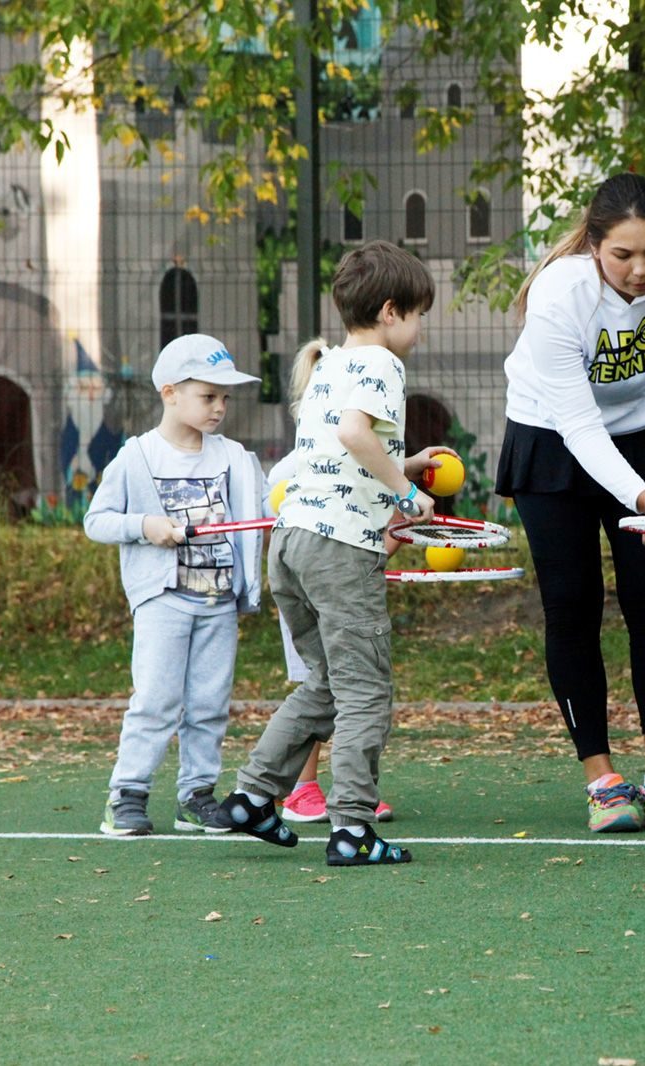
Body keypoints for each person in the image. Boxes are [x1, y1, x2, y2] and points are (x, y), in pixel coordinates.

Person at [495, 172, 645, 832]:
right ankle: (601, 780)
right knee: (571, 605)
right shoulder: (559, 292)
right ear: (594, 245)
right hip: (550, 437)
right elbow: (579, 426)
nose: (639, 268)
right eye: (622, 255)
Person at [220, 239, 450, 866]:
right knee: (366, 692)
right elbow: (354, 434)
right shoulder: (382, 365)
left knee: (325, 682)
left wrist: (404, 464)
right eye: (420, 313)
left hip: (291, 541)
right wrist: (404, 493)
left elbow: (336, 457)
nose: (422, 327)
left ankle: (252, 795)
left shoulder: (329, 365)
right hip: (339, 551)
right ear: (390, 311)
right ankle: (352, 828)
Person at [85, 333, 266, 836]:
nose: (220, 408)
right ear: (170, 393)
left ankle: (196, 796)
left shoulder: (233, 457)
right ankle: (127, 795)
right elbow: (96, 520)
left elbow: (263, 510)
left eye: (225, 398)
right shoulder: (137, 457)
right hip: (164, 602)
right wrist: (146, 526)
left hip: (218, 602)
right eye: (209, 396)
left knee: (209, 704)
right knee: (156, 700)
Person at [265, 450, 394, 825]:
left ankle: (255, 794)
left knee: (333, 684)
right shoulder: (328, 446)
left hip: (303, 558)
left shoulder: (364, 455)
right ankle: (335, 805)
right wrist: (405, 490)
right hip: (318, 563)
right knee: (347, 688)